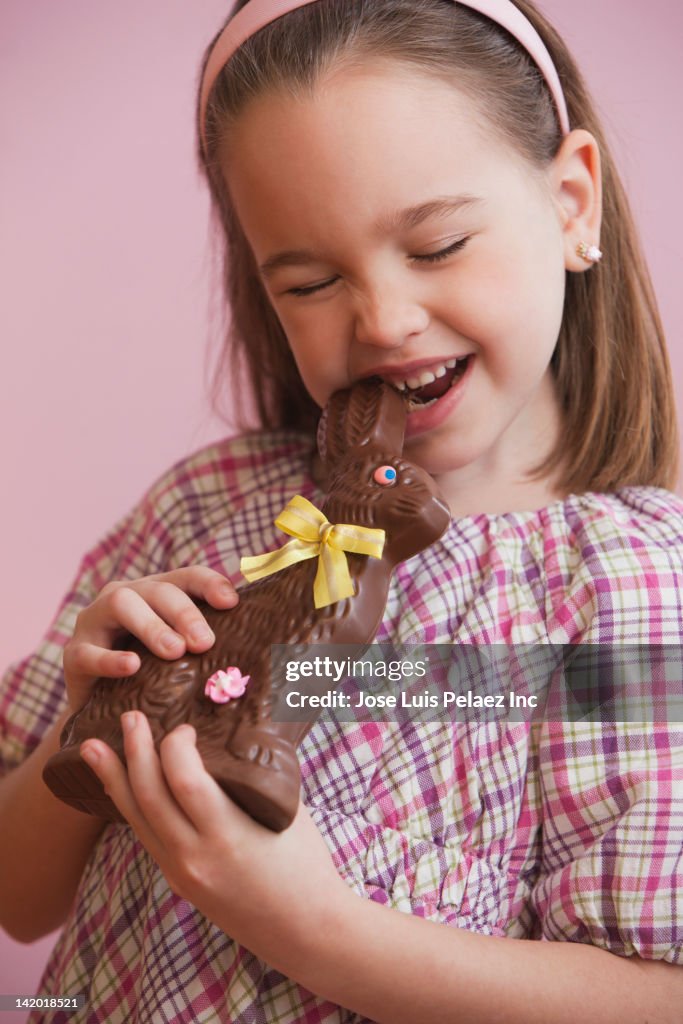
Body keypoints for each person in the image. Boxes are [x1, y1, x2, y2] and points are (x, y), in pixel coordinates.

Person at [1, 0, 682, 1020]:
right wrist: (81, 728)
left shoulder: (633, 586)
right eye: (310, 279)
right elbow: (19, 898)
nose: (383, 321)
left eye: (438, 242)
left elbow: (652, 998)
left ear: (571, 203)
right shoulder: (206, 505)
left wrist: (313, 928)